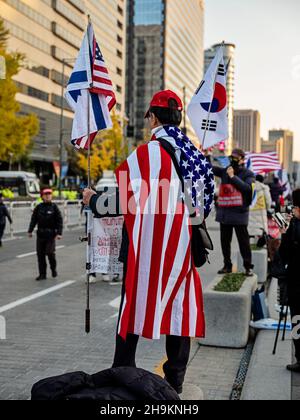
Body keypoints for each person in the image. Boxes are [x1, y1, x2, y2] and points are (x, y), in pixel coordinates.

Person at [83, 89, 215, 394]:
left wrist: (94, 200)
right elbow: (200, 209)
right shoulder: (195, 156)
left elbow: (126, 201)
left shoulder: (145, 155)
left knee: (133, 306)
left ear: (152, 117)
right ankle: (175, 382)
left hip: (145, 251)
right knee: (180, 309)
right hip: (182, 251)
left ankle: (122, 374)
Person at [213, 148, 255, 276]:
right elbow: (210, 168)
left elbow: (247, 188)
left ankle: (248, 266)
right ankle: (227, 265)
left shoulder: (248, 174)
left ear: (242, 160)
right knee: (225, 242)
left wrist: (233, 177)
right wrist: (203, 155)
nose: (233, 159)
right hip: (225, 213)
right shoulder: (225, 171)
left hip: (239, 214)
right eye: (231, 157)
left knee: (243, 242)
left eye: (236, 157)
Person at [279, 189, 300, 373]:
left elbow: (283, 254)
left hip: (296, 281)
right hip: (295, 280)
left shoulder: (294, 226)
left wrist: (285, 232)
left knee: (297, 319)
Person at [28, 188, 63, 281]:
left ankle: (53, 269)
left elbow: (59, 221)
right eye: (46, 194)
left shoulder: (54, 207)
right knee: (40, 255)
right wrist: (30, 231)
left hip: (51, 235)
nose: (48, 196)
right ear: (42, 196)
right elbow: (33, 220)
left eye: (49, 194)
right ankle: (42, 274)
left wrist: (59, 233)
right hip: (40, 235)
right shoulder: (38, 207)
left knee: (50, 253)